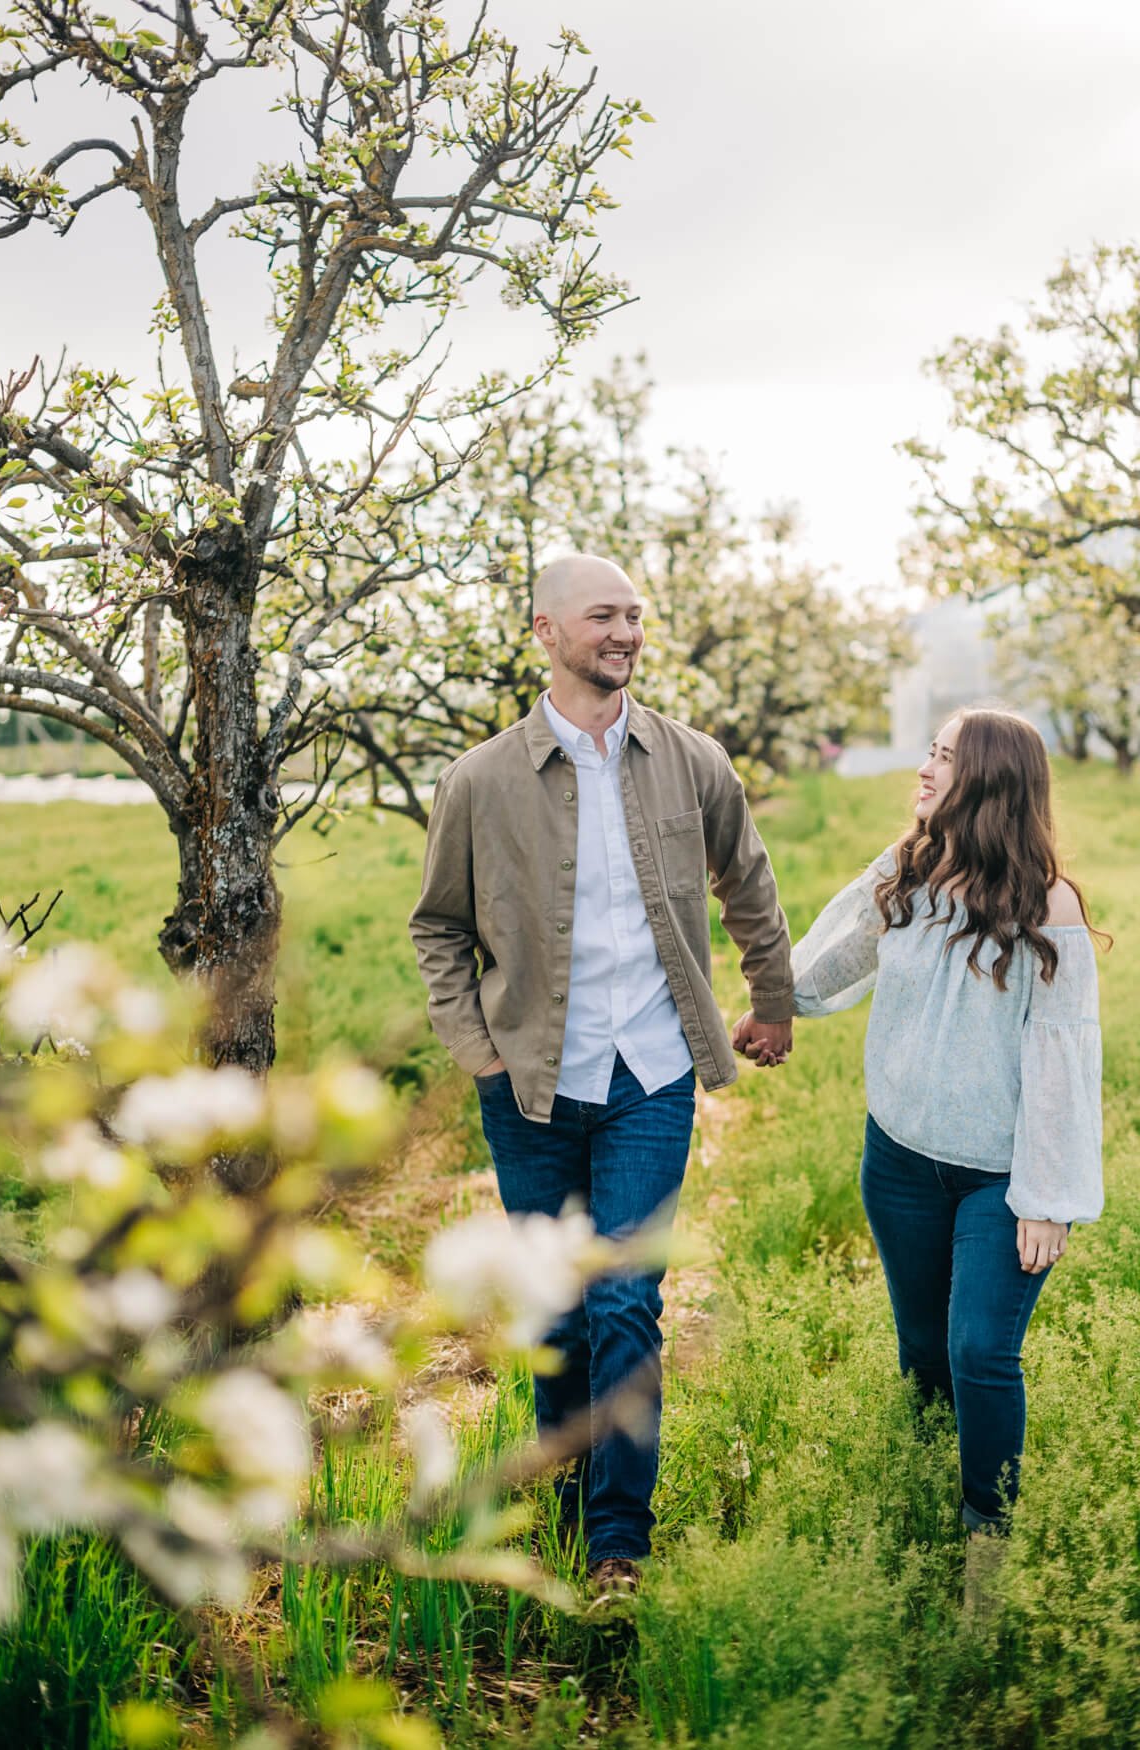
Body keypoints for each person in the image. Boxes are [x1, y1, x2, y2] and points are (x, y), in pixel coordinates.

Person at [409, 553, 793, 1597]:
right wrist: (474, 1047)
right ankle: (565, 1515)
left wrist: (772, 996)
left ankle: (619, 1544)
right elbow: (438, 925)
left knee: (626, 1299)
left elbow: (747, 880)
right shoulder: (482, 780)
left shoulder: (690, 758)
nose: (624, 632)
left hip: (651, 1071)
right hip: (528, 1082)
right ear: (545, 630)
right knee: (556, 1312)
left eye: (634, 615)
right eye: (602, 616)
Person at [785, 708, 1104, 1614]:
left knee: (977, 1352)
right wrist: (772, 997)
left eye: (943, 757)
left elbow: (1060, 1059)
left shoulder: (1050, 906)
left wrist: (1046, 1198)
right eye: (926, 751)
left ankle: (983, 1557)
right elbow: (826, 965)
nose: (923, 769)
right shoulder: (910, 868)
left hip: (999, 1181)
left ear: (992, 781)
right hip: (898, 1161)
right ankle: (922, 1488)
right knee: (922, 1350)